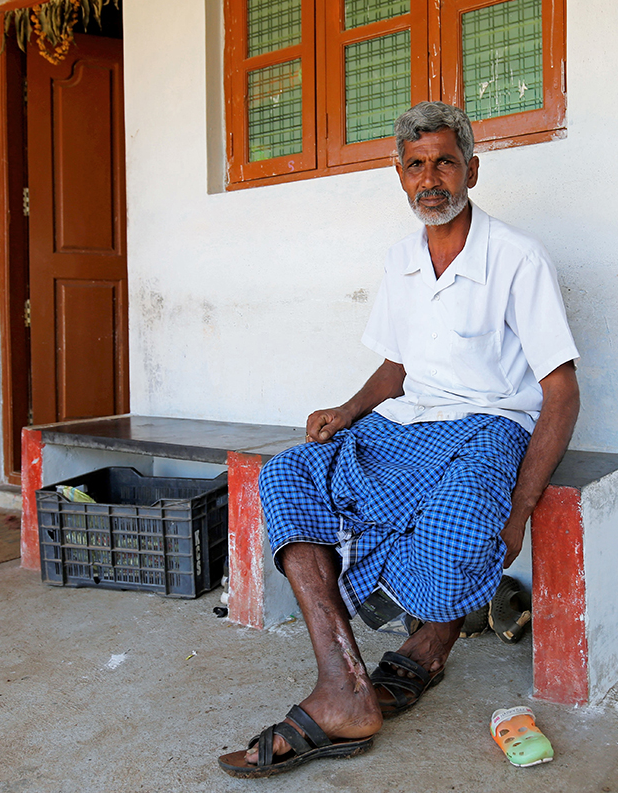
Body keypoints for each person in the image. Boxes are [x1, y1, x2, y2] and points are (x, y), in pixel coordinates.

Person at [218, 101, 580, 778]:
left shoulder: (517, 257)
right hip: (408, 423)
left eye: (445, 161)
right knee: (288, 476)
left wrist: (520, 509)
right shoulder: (402, 260)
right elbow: (399, 363)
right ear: (399, 174)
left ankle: (428, 647)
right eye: (415, 165)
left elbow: (561, 392)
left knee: (451, 555)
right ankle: (343, 684)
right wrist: (350, 408)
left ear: (472, 168)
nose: (430, 178)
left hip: (488, 428)